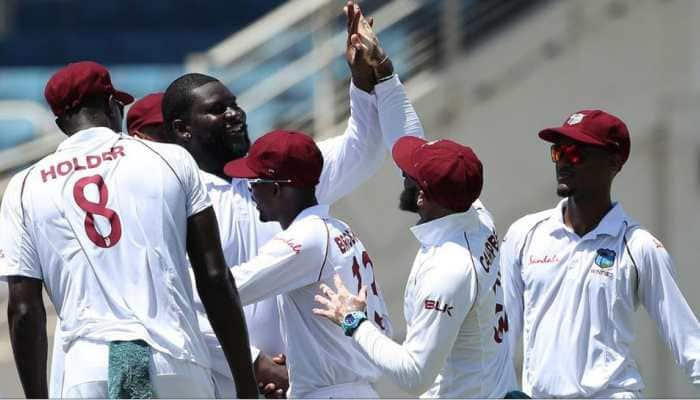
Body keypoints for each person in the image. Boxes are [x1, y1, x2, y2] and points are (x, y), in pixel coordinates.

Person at [160, 2, 424, 396]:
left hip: (315, 384)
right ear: (182, 129)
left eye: (235, 103)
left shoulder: (288, 172)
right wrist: (253, 363)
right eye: (217, 110)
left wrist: (362, 81)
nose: (235, 114)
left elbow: (363, 148)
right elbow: (177, 301)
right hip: (234, 385)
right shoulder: (175, 199)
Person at [0, 61, 258, 398]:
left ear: (61, 123)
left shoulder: (23, 187)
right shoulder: (172, 160)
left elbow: (23, 309)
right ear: (112, 106)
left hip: (88, 369)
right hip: (174, 360)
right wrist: (245, 384)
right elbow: (214, 278)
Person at [501, 109, 700, 398]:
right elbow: (500, 335)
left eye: (576, 153)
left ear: (614, 162)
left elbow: (689, 343)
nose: (564, 162)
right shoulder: (524, 234)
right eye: (558, 152)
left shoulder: (640, 247)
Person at [313, 136, 518, 398]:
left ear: (422, 196)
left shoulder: (448, 270)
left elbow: (414, 376)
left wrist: (353, 321)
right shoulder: (476, 213)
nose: (402, 174)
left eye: (406, 173)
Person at [125, 93, 289, 397]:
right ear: (139, 140)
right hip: (168, 365)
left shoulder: (238, 186)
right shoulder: (138, 208)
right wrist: (253, 368)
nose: (180, 148)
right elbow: (189, 295)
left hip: (276, 374)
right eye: (167, 136)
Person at [224, 129, 393, 398]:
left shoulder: (305, 239)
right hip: (349, 388)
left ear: (276, 188)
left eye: (253, 182)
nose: (250, 191)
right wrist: (303, 367)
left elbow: (225, 291)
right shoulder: (336, 227)